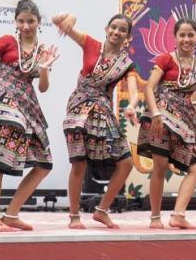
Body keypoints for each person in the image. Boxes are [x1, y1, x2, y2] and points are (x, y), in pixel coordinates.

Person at [0, 0, 60, 232]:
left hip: (27, 102)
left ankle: (11, 215)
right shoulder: (7, 41)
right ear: (15, 22)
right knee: (1, 156)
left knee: (44, 163)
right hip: (1, 96)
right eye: (21, 21)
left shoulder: (42, 50)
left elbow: (44, 88)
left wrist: (46, 68)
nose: (26, 25)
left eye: (30, 21)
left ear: (39, 22)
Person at [51, 12, 139, 230]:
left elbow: (135, 92)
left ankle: (102, 211)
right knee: (79, 163)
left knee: (126, 162)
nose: (117, 32)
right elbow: (56, 20)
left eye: (122, 30)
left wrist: (131, 106)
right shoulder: (90, 44)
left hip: (103, 113)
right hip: (79, 108)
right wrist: (69, 17)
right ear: (106, 29)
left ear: (127, 37)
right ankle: (73, 215)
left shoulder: (126, 64)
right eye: (114, 27)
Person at [140, 18, 196, 229]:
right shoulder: (166, 59)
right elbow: (149, 88)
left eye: (190, 35)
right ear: (175, 37)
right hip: (161, 118)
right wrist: (155, 113)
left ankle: (178, 215)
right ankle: (155, 217)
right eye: (182, 35)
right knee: (160, 166)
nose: (186, 39)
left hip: (184, 121)